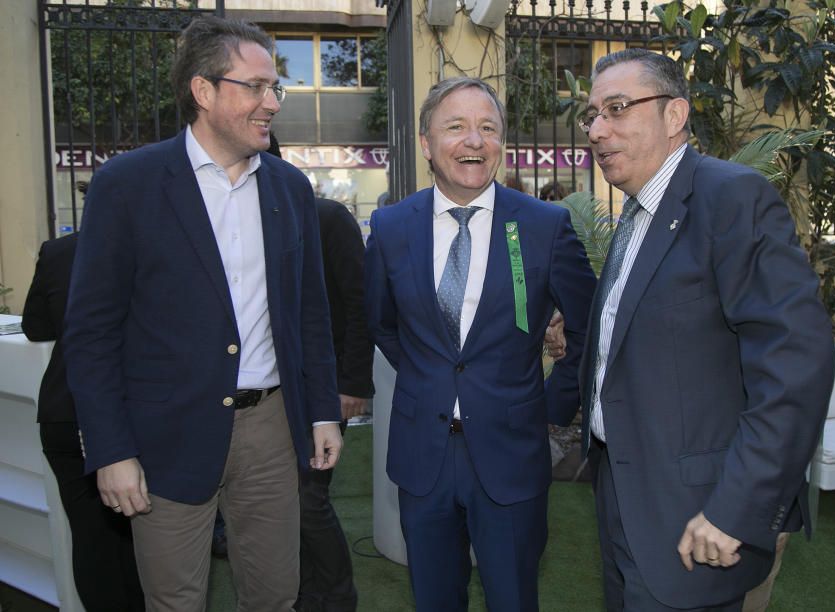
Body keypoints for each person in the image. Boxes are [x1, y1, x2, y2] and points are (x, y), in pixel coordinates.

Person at [61, 16, 343, 611]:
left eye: (276, 88)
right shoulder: (127, 185)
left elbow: (309, 314)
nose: (272, 103)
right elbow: (91, 333)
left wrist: (321, 411)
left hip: (271, 428)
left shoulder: (290, 189)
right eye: (256, 86)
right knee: (175, 602)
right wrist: (110, 449)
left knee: (275, 597)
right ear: (203, 91)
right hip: (165, 434)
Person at [577, 48, 835, 611]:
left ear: (675, 117)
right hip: (624, 492)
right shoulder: (635, 211)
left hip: (698, 516)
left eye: (617, 109)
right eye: (592, 114)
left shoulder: (731, 198)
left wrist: (734, 511)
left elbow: (795, 368)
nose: (597, 130)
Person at [364, 76, 596, 612]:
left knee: (513, 597)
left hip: (512, 452)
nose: (474, 141)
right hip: (423, 455)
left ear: (501, 143)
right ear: (426, 143)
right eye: (456, 127)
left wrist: (553, 404)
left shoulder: (544, 225)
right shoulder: (392, 226)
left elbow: (589, 327)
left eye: (487, 128)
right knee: (434, 599)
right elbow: (381, 324)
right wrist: (432, 379)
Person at [22, 218, 145, 611]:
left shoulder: (57, 251)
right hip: (130, 414)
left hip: (64, 410)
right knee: (143, 540)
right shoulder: (151, 248)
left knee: (92, 539)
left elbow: (35, 327)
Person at [296, 195, 373, 612]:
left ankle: (337, 597)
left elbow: (361, 302)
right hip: (262, 393)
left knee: (308, 498)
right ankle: (303, 593)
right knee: (281, 505)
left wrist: (353, 384)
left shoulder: (326, 217)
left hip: (322, 388)